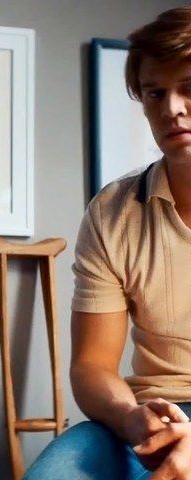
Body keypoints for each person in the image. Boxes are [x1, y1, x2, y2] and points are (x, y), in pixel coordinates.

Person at [25, 6, 191, 480]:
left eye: (189, 88)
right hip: (154, 411)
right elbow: (92, 366)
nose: (172, 108)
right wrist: (130, 417)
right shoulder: (113, 211)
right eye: (155, 93)